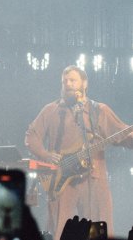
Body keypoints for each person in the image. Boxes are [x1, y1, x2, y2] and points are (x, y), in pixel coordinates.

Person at [25, 65, 133, 236]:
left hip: (94, 178)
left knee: (98, 230)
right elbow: (32, 135)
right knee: (61, 230)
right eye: (64, 81)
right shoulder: (51, 110)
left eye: (73, 80)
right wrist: (45, 154)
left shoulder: (98, 110)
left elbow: (123, 134)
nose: (68, 84)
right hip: (62, 181)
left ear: (84, 83)